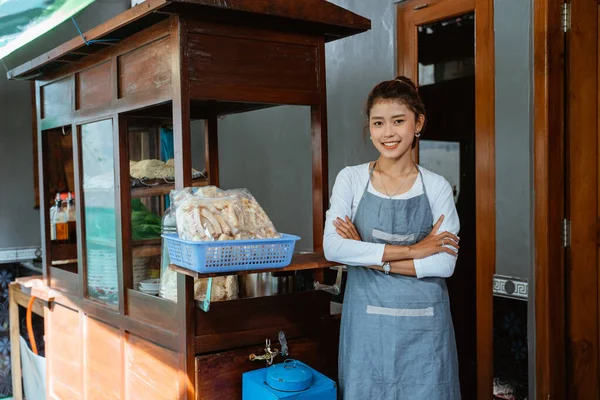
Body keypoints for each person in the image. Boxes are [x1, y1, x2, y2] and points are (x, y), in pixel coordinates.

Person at [323, 76, 461, 399]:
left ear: (418, 123)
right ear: (369, 128)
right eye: (378, 123)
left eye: (398, 121)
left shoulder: (437, 186)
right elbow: (333, 247)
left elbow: (444, 263)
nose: (388, 133)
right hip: (368, 333)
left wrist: (368, 258)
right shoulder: (352, 180)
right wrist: (415, 249)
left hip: (426, 334)